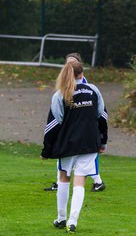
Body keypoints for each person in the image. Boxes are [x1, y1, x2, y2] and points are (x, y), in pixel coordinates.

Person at [40, 61, 108, 233]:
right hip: (90, 143)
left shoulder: (60, 94)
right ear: (82, 73)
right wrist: (103, 141)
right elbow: (102, 117)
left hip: (68, 144)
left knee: (63, 178)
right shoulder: (93, 90)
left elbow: (53, 125)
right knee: (80, 182)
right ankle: (72, 222)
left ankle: (61, 218)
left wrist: (46, 151)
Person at [44, 52, 106, 192]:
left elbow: (100, 112)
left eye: (72, 62)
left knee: (85, 158)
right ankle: (62, 182)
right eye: (67, 62)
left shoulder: (86, 86)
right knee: (71, 159)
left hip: (83, 131)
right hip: (74, 131)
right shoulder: (63, 88)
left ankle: (97, 181)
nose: (69, 65)